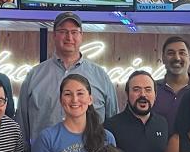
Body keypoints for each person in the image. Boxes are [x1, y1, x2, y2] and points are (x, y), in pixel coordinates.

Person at [17, 11, 119, 144]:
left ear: (81, 35)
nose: (69, 37)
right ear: (54, 35)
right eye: (63, 31)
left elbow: (113, 122)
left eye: (74, 32)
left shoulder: (101, 76)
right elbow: (21, 122)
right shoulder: (34, 76)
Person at [104, 70, 168, 152]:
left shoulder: (162, 123)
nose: (143, 95)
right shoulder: (111, 127)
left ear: (155, 95)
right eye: (136, 90)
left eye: (148, 90)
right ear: (127, 94)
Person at [153, 37, 190, 124]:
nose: (177, 58)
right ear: (163, 58)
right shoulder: (151, 89)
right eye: (171, 53)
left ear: (189, 58)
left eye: (182, 53)